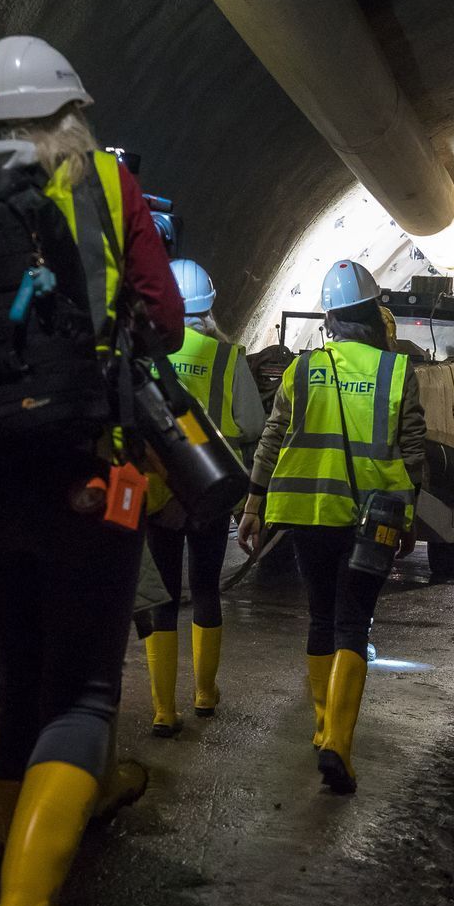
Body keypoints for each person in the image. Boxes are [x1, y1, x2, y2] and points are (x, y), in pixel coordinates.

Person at [0, 35, 183, 906]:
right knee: (80, 692)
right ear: (68, 111)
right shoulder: (107, 184)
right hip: (85, 473)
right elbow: (162, 317)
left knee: (16, 671)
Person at [237, 260, 425, 795]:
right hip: (374, 517)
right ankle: (340, 743)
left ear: (331, 320)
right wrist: (406, 517)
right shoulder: (395, 371)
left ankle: (322, 731)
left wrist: (253, 505)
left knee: (321, 617)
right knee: (353, 622)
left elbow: (272, 439)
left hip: (309, 513)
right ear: (373, 315)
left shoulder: (301, 370)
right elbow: (412, 456)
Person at [141, 257, 262, 736]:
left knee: (163, 596)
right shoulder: (228, 357)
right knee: (207, 589)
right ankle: (204, 695)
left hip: (160, 492)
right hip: (210, 490)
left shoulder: (146, 355)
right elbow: (252, 424)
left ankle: (163, 710)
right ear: (210, 308)